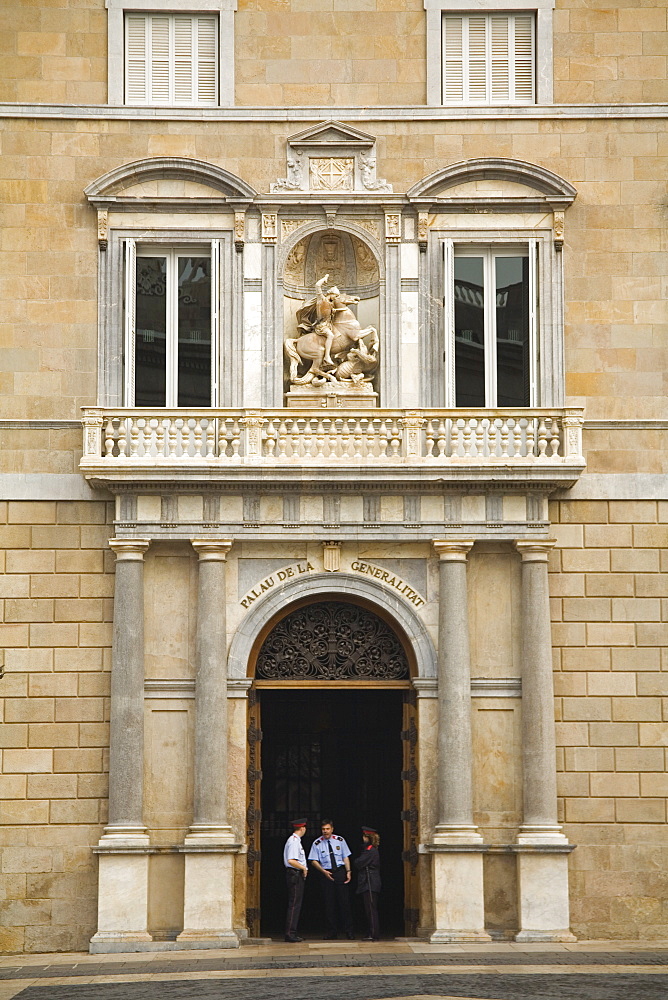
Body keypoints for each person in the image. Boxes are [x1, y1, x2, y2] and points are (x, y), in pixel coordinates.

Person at [308, 818, 354, 940]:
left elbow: (345, 857)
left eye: (327, 829)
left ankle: (349, 931)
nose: (325, 831)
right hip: (326, 874)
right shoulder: (317, 843)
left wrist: (348, 871)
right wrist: (323, 871)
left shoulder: (340, 840)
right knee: (329, 904)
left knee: (344, 903)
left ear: (332, 829)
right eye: (323, 829)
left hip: (340, 872)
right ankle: (331, 931)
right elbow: (313, 860)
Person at [283, 818, 308, 942]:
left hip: (295, 874)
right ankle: (290, 933)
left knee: (295, 903)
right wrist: (303, 868)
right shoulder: (294, 842)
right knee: (294, 905)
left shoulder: (295, 841)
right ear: (302, 828)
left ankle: (292, 932)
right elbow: (291, 860)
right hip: (295, 874)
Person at [354, 826, 381, 941]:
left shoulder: (370, 850)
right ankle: (371, 931)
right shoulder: (370, 850)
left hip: (369, 881)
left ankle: (374, 933)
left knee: (371, 908)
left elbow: (358, 862)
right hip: (368, 881)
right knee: (368, 908)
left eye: (364, 836)